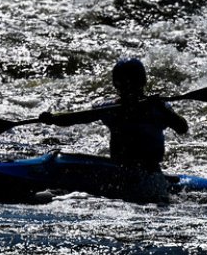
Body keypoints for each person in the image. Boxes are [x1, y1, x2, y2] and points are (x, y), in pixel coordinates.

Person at [38, 58, 188, 172]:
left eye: (132, 83)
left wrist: (163, 109)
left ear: (142, 83)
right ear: (117, 85)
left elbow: (182, 128)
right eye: (124, 83)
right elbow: (77, 117)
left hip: (150, 171)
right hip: (118, 169)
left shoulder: (158, 109)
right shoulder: (109, 108)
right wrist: (52, 118)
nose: (128, 88)